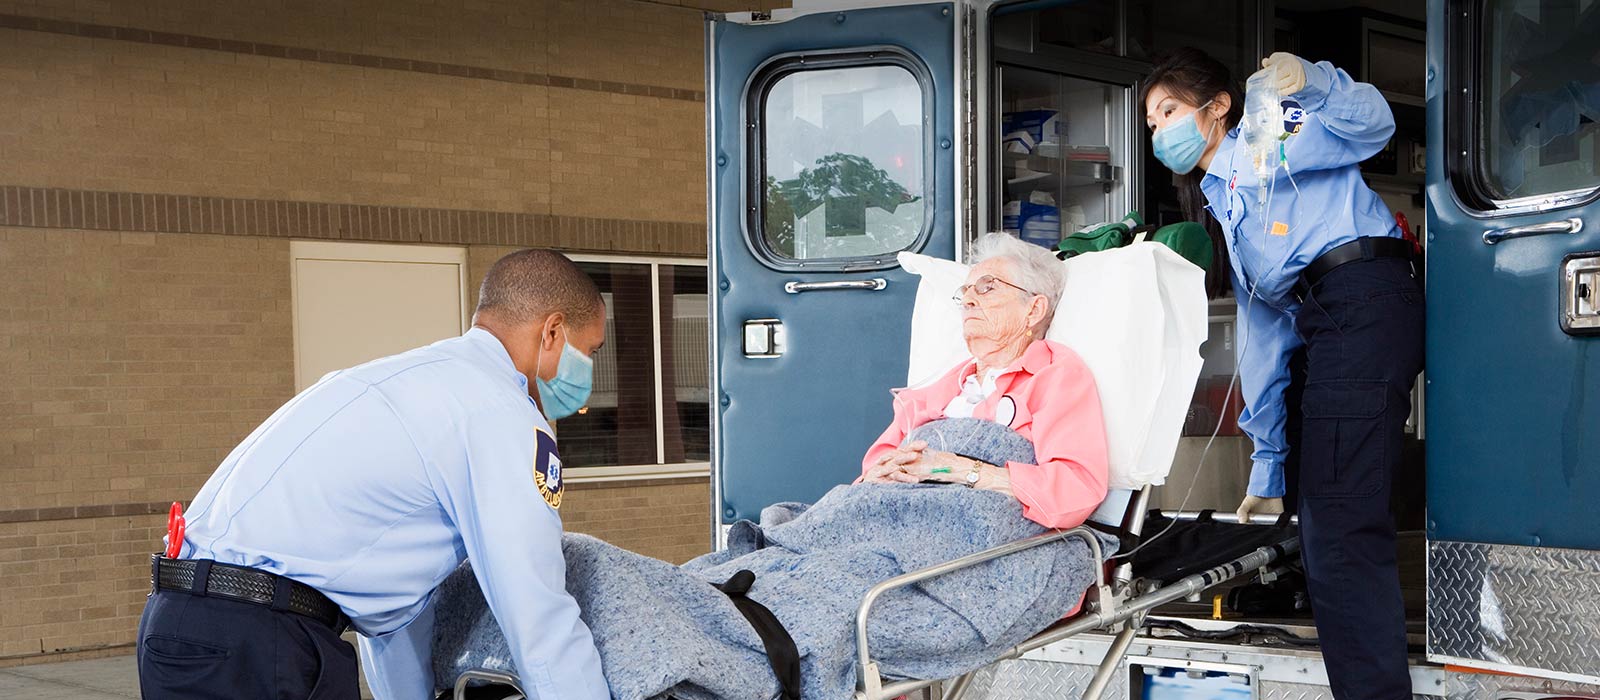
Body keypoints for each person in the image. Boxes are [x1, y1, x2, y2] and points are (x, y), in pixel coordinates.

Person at [136, 249, 613, 700]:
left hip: (177, 624)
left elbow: (393, 615)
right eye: (589, 350)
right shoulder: (500, 413)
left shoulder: (392, 380)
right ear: (551, 332)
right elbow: (536, 611)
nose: (589, 371)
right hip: (259, 641)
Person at [1142, 47, 1423, 700]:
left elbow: (1372, 126)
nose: (1160, 132)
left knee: (1342, 527)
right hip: (1326, 318)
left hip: (1363, 294)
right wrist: (1268, 468)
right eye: (1152, 121)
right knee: (1318, 514)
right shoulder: (1224, 202)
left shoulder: (1269, 133)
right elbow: (1264, 336)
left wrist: (1314, 82)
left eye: (1171, 111)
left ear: (1218, 108)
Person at [861, 231, 1110, 531]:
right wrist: (878, 476)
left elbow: (1075, 489)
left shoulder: (1054, 376)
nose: (967, 300)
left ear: (1033, 309)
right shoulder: (937, 390)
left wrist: (955, 467)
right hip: (890, 518)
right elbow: (872, 470)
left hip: (969, 531)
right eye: (964, 292)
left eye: (986, 288)